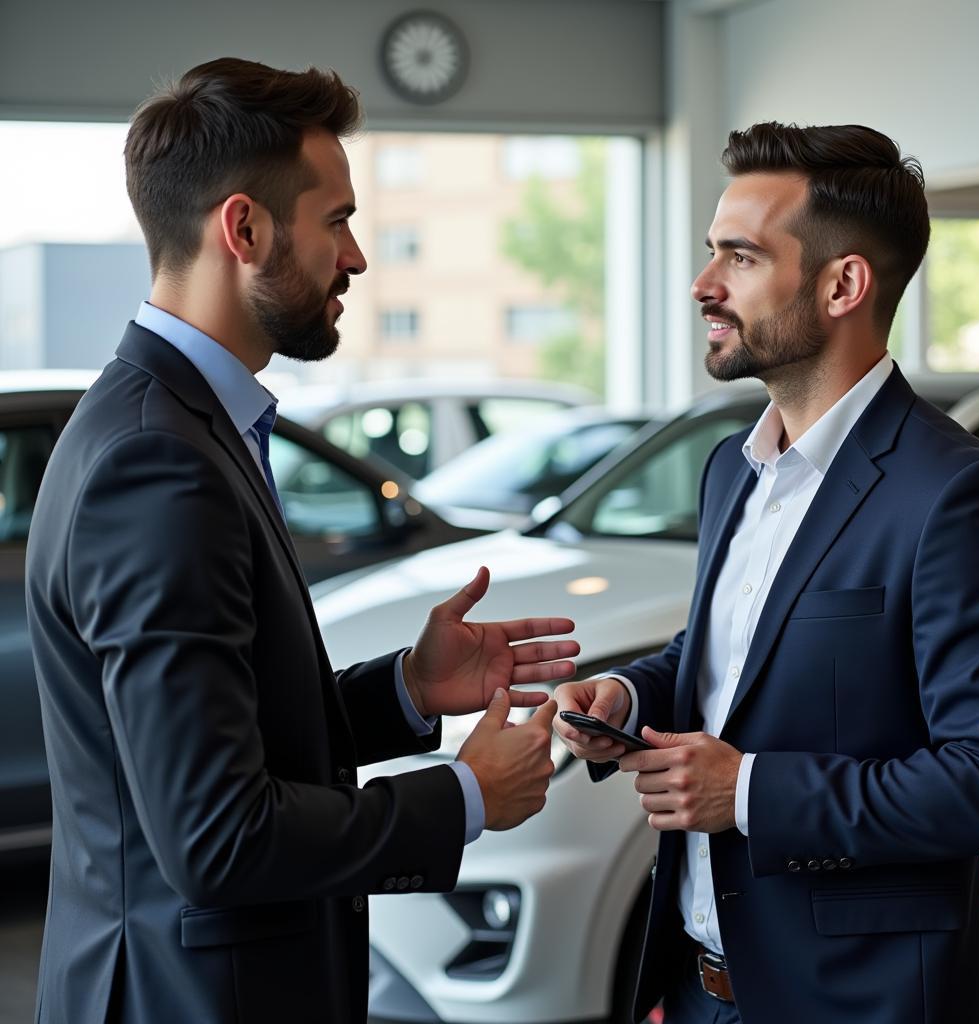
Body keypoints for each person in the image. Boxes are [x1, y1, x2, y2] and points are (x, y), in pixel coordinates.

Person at [25, 57, 578, 1024]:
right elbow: (218, 838)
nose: (356, 258)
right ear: (243, 229)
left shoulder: (177, 424)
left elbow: (225, 735)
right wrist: (465, 794)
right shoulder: (159, 461)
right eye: (337, 221)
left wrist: (403, 691)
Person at [554, 122, 979, 1024]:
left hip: (867, 1005)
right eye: (710, 254)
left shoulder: (957, 495)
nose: (703, 285)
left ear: (843, 283)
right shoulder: (733, 467)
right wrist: (627, 695)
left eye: (739, 257)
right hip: (703, 992)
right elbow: (728, 659)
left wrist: (751, 791)